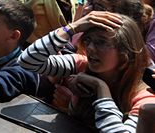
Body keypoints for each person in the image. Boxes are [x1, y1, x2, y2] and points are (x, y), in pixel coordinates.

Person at [19, 12, 155, 131]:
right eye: (88, 40)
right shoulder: (82, 65)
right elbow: (27, 60)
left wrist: (101, 89)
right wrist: (72, 28)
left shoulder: (145, 99)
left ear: (125, 52)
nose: (90, 48)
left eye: (101, 42)